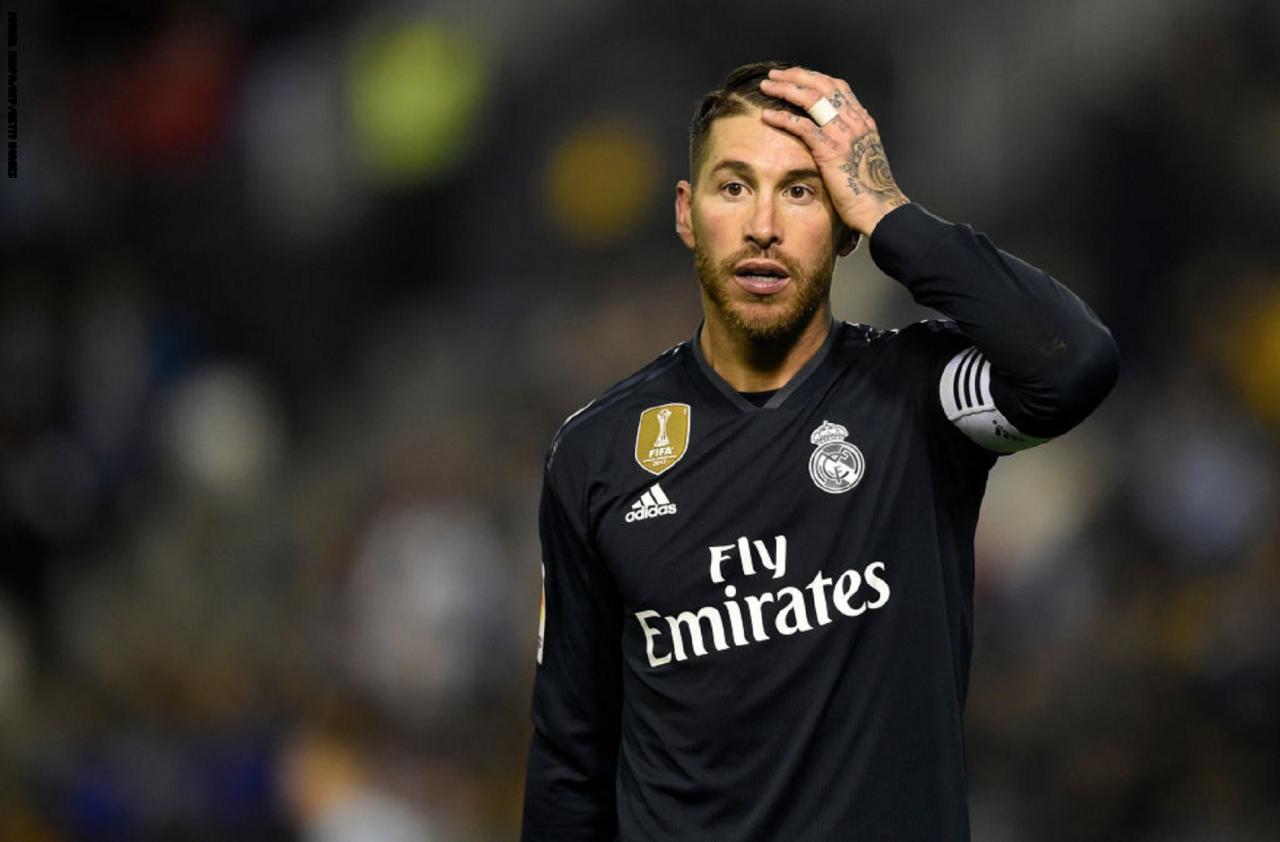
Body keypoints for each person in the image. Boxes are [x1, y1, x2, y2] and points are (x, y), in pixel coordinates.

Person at [520, 61, 1119, 841]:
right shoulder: (595, 452)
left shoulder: (919, 397)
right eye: (734, 187)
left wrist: (891, 211)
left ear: (844, 225)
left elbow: (1072, 364)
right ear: (687, 214)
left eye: (800, 192)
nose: (762, 225)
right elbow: (571, 756)